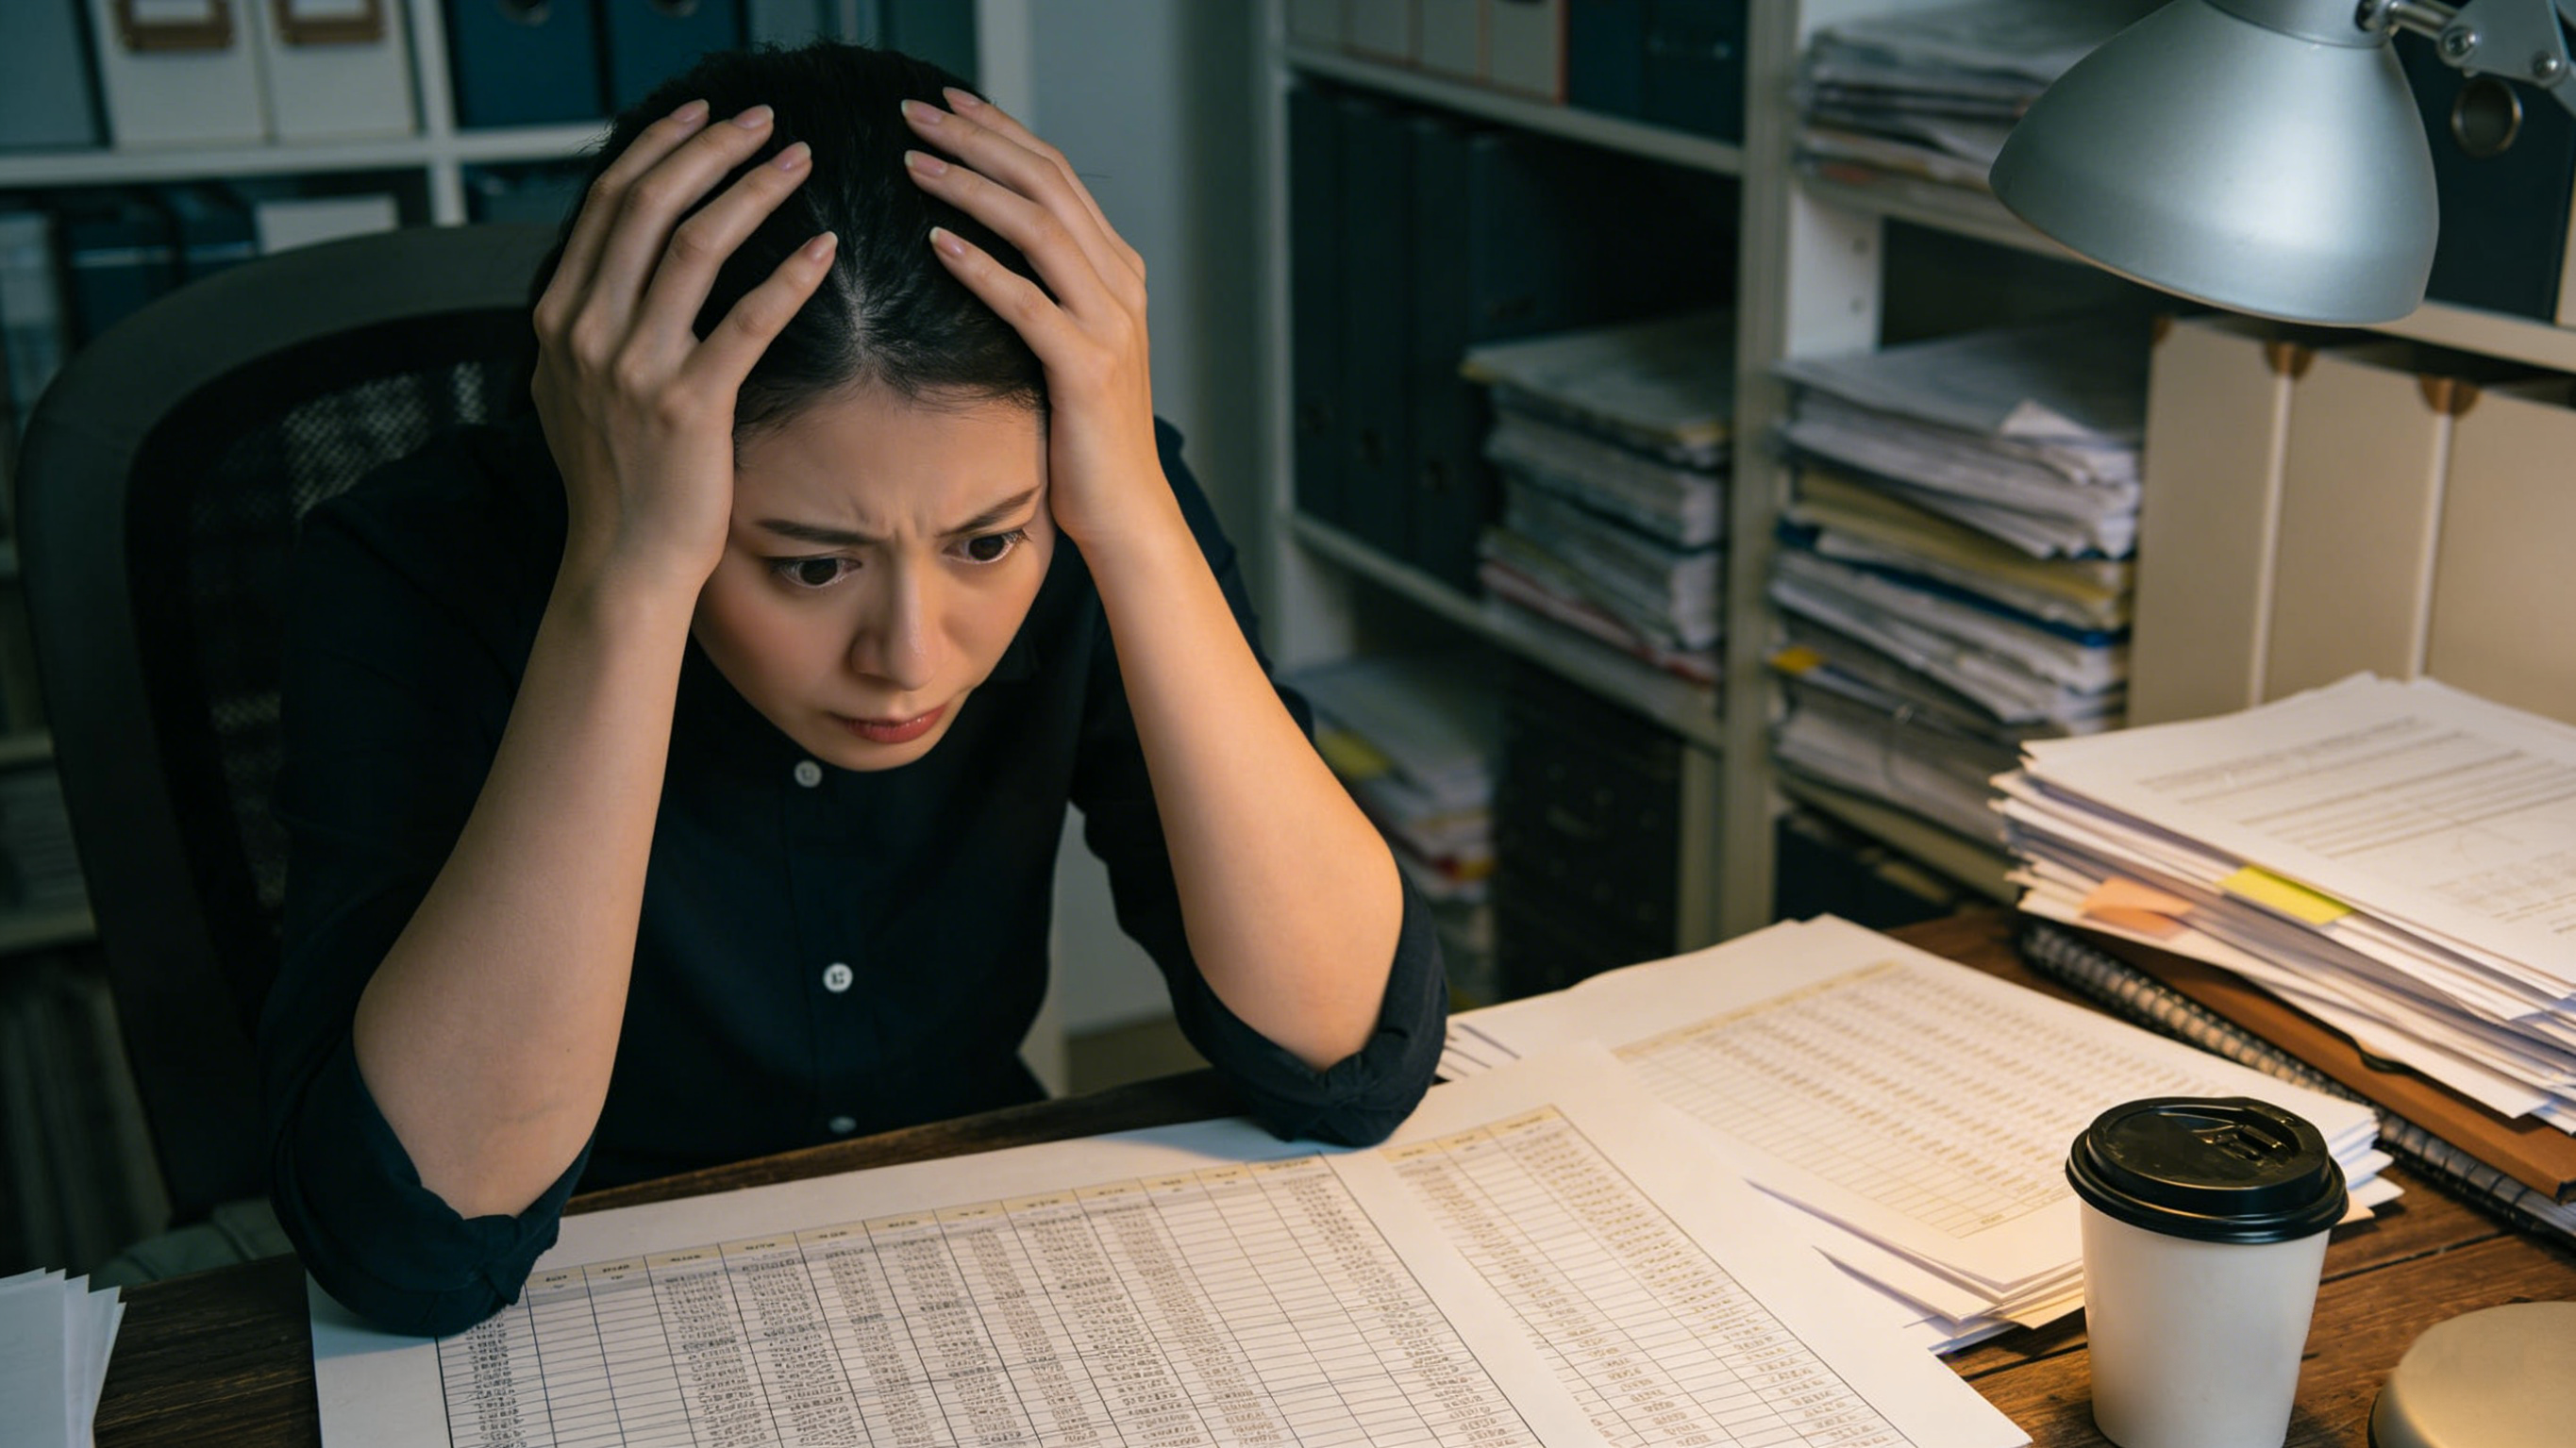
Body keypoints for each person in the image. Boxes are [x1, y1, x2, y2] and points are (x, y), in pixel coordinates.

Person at [259, 41, 1445, 1337]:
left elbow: (1346, 1058)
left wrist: (1135, 525)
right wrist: (632, 577)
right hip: (580, 1289)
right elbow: (416, 1246)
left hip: (955, 1235)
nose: (913, 655)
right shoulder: (409, 569)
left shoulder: (1091, 506)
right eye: (810, 564)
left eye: (985, 545)